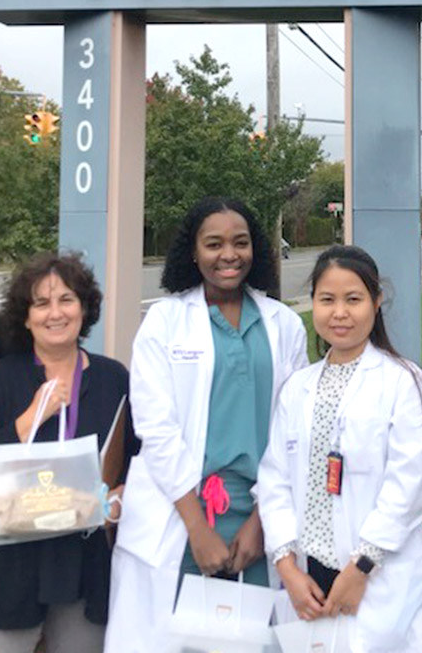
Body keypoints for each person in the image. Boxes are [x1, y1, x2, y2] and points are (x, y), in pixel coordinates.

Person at [104, 197, 308, 653]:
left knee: (255, 642)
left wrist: (262, 524)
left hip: (258, 517)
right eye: (213, 244)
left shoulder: (284, 324)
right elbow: (156, 430)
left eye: (240, 243)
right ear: (192, 253)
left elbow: (293, 433)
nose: (228, 255)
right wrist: (197, 529)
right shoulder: (164, 321)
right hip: (180, 514)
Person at [256, 245, 422, 652]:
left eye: (353, 299)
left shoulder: (402, 382)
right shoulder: (298, 388)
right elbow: (274, 480)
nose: (339, 312)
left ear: (376, 303)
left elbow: (408, 487)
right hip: (308, 577)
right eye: (327, 300)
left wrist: (360, 569)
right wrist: (287, 566)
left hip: (376, 576)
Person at [0, 252, 132, 652]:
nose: (56, 313)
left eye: (66, 300)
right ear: (26, 315)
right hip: (1, 570)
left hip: (81, 569)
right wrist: (30, 417)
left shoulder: (112, 379)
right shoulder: (0, 377)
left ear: (85, 308)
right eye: (42, 302)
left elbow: (135, 464)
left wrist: (120, 497)